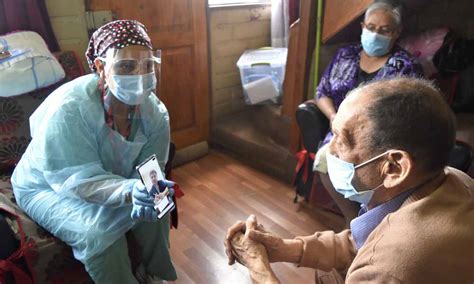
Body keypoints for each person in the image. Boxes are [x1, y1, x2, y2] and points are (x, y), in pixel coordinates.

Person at [225, 77, 474, 283]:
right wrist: (284, 248)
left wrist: (258, 268)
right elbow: (364, 240)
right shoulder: (451, 178)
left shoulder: (389, 268)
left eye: (341, 141)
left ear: (394, 168)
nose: (330, 150)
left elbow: (377, 255)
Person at [11, 20, 177, 283]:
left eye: (147, 66)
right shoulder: (70, 109)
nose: (139, 76)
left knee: (159, 205)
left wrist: (152, 194)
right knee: (99, 236)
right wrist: (129, 191)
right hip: (46, 185)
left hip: (110, 180)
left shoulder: (154, 113)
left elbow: (151, 169)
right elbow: (75, 180)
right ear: (101, 67)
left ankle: (156, 273)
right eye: (126, 66)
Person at [306, 1, 423, 224]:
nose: (375, 34)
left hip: (381, 138)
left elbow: (408, 116)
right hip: (340, 132)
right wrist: (333, 117)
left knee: (373, 173)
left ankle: (374, 218)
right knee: (325, 160)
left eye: (384, 30)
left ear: (396, 33)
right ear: (362, 26)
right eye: (370, 27)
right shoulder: (345, 55)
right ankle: (353, 220)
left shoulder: (405, 66)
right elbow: (322, 92)